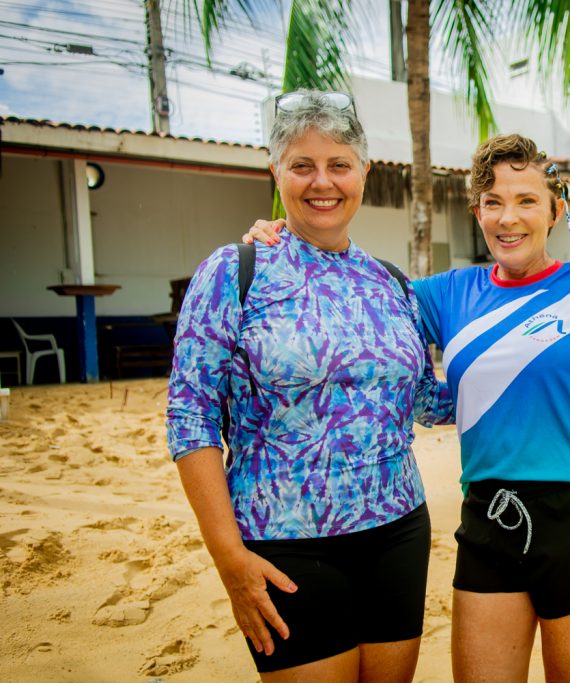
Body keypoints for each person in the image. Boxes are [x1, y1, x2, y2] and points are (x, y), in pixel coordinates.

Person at [246, 131, 570, 682]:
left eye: (526, 201)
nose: (509, 218)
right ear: (477, 211)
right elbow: (349, 289)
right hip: (485, 514)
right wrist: (288, 238)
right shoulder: (440, 294)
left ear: (554, 210)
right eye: (494, 203)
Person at [166, 90, 452, 683]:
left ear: (365, 173)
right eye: (302, 165)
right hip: (285, 547)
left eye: (339, 164)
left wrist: (525, 373)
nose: (323, 182)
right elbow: (189, 419)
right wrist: (228, 558)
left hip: (398, 531)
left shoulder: (392, 284)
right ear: (276, 172)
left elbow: (425, 402)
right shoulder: (233, 273)